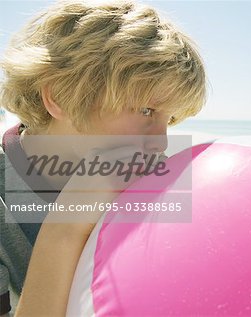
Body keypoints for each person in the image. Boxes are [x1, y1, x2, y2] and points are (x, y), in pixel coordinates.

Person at [0, 1, 206, 316]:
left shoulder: (145, 181)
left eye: (171, 118)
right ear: (60, 96)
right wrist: (64, 230)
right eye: (145, 110)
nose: (161, 141)